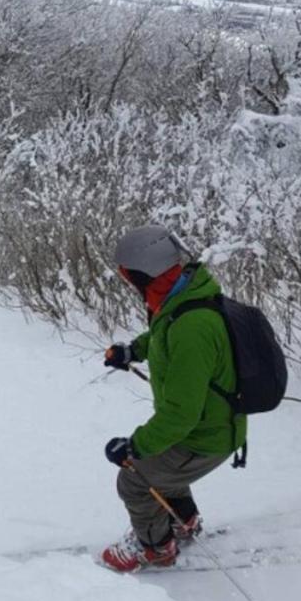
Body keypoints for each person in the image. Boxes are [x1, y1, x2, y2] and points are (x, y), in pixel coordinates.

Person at [98, 224, 246, 572]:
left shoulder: (193, 326)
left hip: (205, 435)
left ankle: (155, 548)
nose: (129, 284)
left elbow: (181, 415)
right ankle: (184, 522)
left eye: (130, 278)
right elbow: (163, 333)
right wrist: (132, 350)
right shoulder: (184, 296)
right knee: (162, 469)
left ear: (144, 273)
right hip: (206, 427)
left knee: (135, 479)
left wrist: (134, 447)